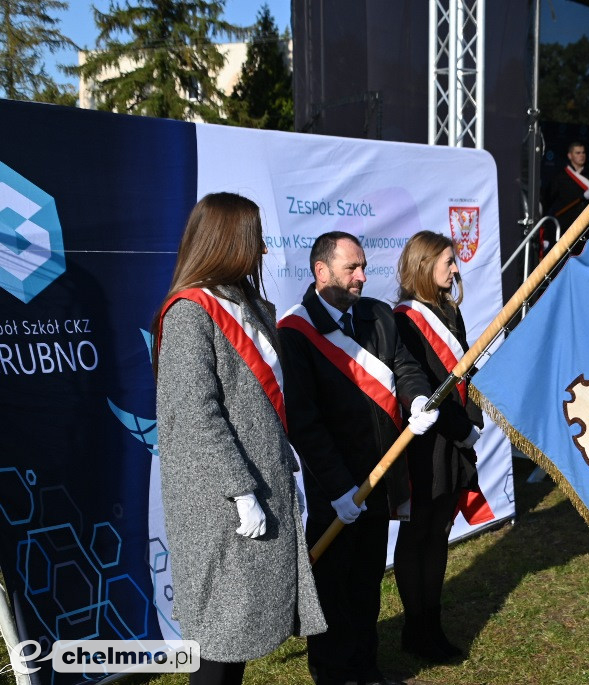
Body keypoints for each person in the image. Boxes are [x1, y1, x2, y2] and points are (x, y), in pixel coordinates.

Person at [152, 192, 326, 685]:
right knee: (219, 640)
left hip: (258, 485)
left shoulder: (247, 305)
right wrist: (240, 489)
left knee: (242, 632)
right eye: (255, 239)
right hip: (222, 502)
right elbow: (195, 414)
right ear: (228, 241)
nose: (264, 250)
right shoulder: (191, 312)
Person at [278, 231, 439, 685]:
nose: (362, 277)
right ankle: (332, 673)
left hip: (380, 472)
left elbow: (404, 366)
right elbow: (304, 422)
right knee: (333, 585)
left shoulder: (377, 315)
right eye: (352, 268)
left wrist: (419, 398)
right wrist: (338, 487)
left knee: (367, 581)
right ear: (321, 272)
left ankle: (365, 669)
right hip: (337, 486)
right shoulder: (296, 332)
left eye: (363, 267)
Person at [392, 231, 493, 663]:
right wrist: (462, 428)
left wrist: (472, 425)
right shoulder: (404, 319)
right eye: (448, 261)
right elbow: (426, 386)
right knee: (419, 535)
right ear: (423, 264)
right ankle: (415, 630)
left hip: (454, 441)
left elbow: (462, 378)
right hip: (426, 445)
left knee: (439, 534)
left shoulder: (450, 311)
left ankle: (432, 624)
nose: (455, 269)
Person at [540, 140, 589, 256]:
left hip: (587, 226)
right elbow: (548, 201)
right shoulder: (560, 178)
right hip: (566, 227)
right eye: (578, 153)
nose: (582, 155)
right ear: (570, 155)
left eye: (583, 153)